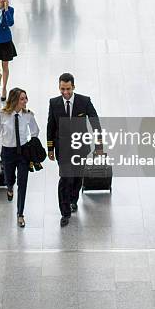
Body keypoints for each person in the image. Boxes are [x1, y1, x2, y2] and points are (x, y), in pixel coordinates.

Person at [47, 73, 103, 227]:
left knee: (77, 177)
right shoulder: (54, 103)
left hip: (81, 148)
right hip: (62, 149)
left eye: (68, 89)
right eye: (62, 89)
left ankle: (73, 199)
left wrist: (99, 146)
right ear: (59, 87)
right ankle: (65, 212)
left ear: (74, 87)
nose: (65, 92)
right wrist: (50, 147)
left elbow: (95, 123)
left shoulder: (84, 101)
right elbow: (50, 126)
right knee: (65, 178)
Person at [0, 88, 39, 228]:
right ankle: (9, 187)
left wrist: (31, 145)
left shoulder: (28, 115)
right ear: (14, 100)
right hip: (8, 152)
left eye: (26, 98)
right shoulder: (3, 115)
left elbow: (35, 131)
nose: (25, 101)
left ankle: (20, 214)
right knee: (9, 179)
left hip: (23, 153)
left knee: (23, 184)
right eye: (22, 99)